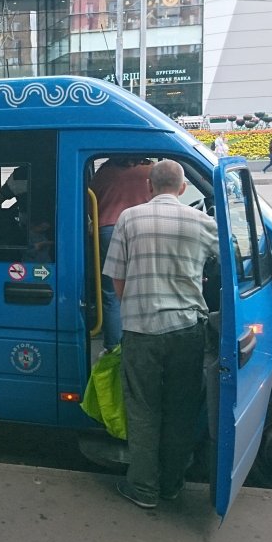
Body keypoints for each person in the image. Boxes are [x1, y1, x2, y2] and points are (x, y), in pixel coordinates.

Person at [103, 159, 218, 509]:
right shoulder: (203, 222)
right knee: (181, 410)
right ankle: (171, 485)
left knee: (143, 411)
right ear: (182, 188)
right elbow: (234, 263)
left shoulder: (129, 219)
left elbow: (117, 278)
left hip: (141, 330)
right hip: (186, 329)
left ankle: (143, 489)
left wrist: (135, 307)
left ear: (149, 186)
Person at [89, 157, 153, 354]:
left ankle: (113, 347)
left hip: (108, 229)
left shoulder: (104, 172)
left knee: (111, 292)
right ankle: (143, 344)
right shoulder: (150, 170)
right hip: (143, 228)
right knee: (145, 287)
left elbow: (90, 202)